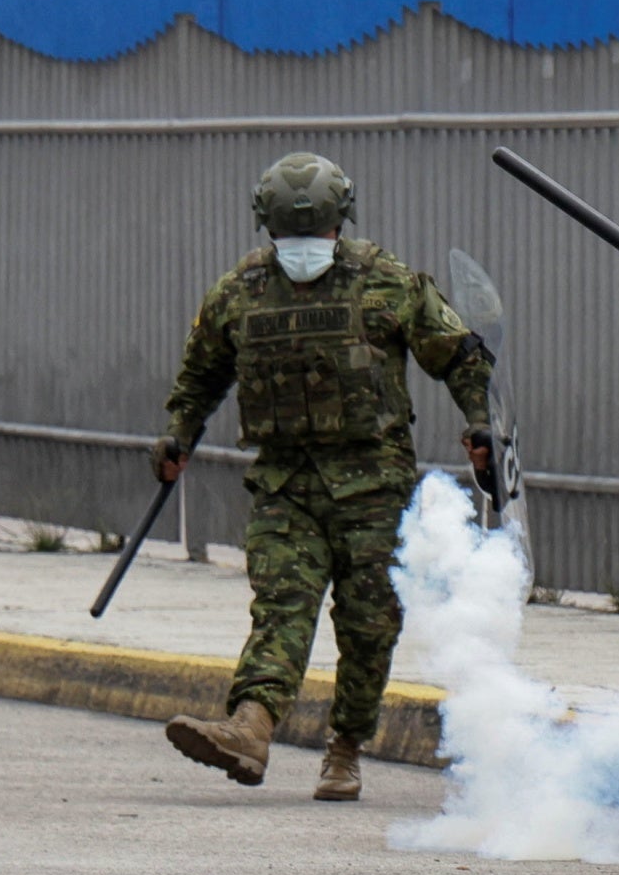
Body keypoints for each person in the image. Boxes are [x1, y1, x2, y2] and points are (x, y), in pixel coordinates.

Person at [154, 152, 497, 804]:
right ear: (267, 228)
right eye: (289, 235)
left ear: (341, 224)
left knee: (368, 625)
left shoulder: (387, 282)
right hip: (286, 487)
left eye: (315, 233)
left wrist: (480, 424)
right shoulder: (241, 292)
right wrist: (178, 434)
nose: (303, 247)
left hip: (374, 488)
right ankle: (250, 728)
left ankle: (346, 748)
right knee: (282, 606)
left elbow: (459, 355)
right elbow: (200, 375)